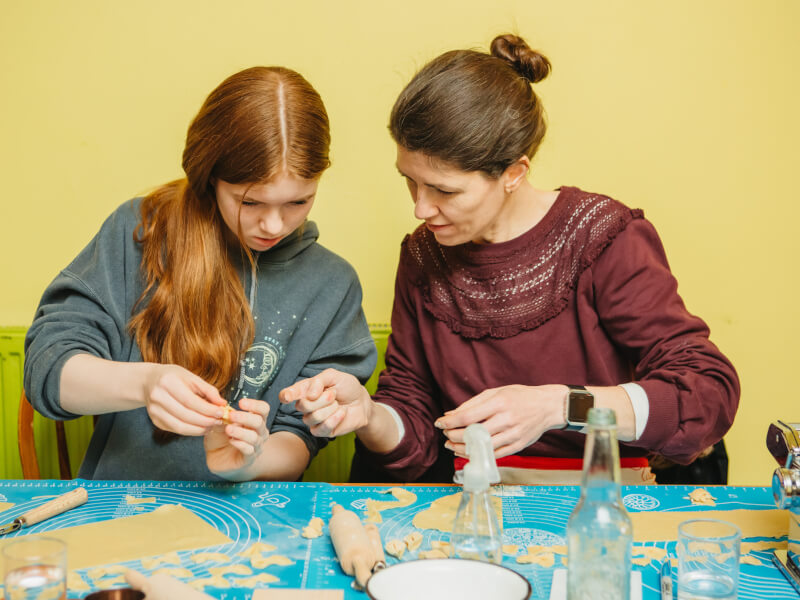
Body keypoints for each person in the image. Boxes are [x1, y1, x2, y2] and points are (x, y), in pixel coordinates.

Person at [280, 34, 740, 484]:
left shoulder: (605, 238)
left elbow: (706, 391)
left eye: (445, 190)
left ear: (514, 173)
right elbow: (413, 423)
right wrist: (369, 414)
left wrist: (560, 405)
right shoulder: (424, 255)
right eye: (410, 181)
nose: (420, 208)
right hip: (478, 506)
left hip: (601, 506)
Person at [24, 66, 376, 481]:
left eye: (298, 202)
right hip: (120, 508)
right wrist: (146, 384)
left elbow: (298, 439)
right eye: (250, 203)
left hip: (255, 524)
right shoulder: (139, 232)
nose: (275, 226)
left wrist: (247, 463)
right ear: (210, 178)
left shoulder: (332, 284)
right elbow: (48, 373)